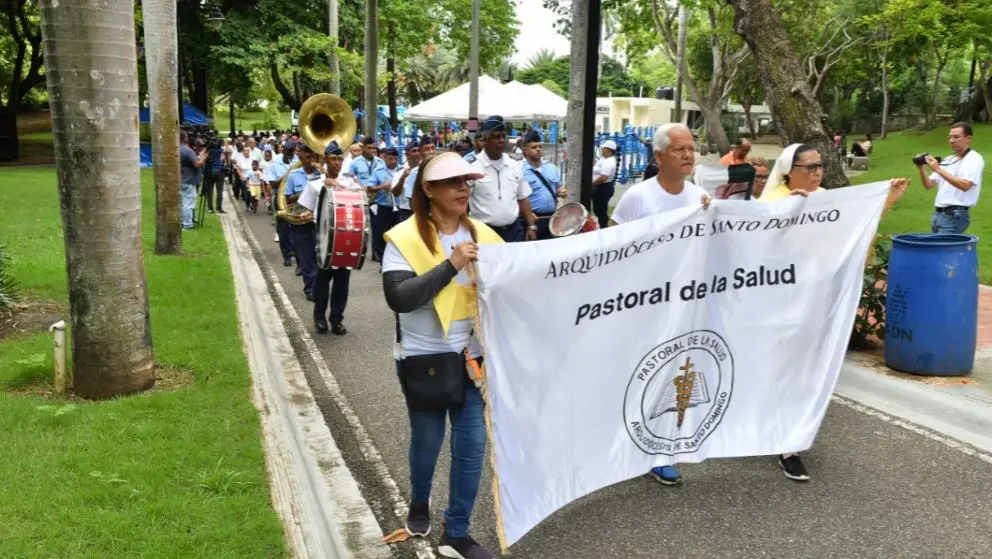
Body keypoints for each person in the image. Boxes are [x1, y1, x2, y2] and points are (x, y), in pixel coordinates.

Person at [381, 151, 504, 559]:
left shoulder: (484, 233)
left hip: (471, 359)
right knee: (428, 440)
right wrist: (451, 264)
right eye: (453, 182)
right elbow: (400, 298)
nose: (463, 188)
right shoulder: (404, 237)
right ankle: (419, 501)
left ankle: (458, 531)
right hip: (423, 358)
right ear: (428, 190)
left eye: (467, 181)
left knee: (471, 447)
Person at [611, 124, 710, 487]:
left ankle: (658, 452)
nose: (688, 155)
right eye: (679, 149)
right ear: (659, 156)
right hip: (642, 304)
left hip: (683, 303)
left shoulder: (700, 196)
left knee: (672, 373)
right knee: (638, 371)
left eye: (691, 148)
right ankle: (624, 440)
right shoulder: (637, 198)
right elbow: (614, 248)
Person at [298, 141, 362, 335]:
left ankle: (337, 320)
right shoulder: (314, 184)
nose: (337, 163)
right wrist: (306, 215)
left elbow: (361, 199)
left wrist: (340, 186)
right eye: (333, 159)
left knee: (342, 283)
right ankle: (319, 318)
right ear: (325, 159)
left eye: (339, 159)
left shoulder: (350, 182)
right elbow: (305, 209)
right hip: (323, 239)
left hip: (346, 237)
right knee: (321, 283)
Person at [467, 115, 538, 242]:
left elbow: (522, 198)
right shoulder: (472, 167)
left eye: (503, 136)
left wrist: (531, 225)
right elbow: (463, 202)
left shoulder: (514, 165)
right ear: (484, 140)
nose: (501, 140)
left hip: (513, 232)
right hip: (484, 232)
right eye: (496, 137)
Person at [916, 122, 984, 234]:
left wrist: (938, 169)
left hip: (954, 215)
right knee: (937, 250)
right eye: (950, 137)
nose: (952, 140)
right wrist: (920, 167)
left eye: (956, 137)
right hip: (938, 215)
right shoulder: (949, 159)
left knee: (942, 251)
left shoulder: (974, 159)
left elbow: (965, 185)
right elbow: (929, 185)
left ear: (968, 138)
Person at [282, 142, 324, 300]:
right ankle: (310, 288)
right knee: (306, 257)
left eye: (313, 156)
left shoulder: (322, 174)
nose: (311, 158)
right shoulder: (293, 175)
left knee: (318, 256)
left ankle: (319, 286)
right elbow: (288, 200)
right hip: (300, 220)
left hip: (319, 220)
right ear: (301, 156)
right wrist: (303, 194)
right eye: (308, 156)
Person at [350, 136, 391, 261]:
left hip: (376, 197)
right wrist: (357, 185)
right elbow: (349, 178)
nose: (373, 151)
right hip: (360, 197)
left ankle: (375, 251)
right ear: (363, 148)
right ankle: (357, 249)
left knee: (375, 225)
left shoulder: (380, 162)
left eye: (374, 148)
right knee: (359, 225)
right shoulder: (355, 162)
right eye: (370, 148)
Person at [520, 129, 567, 240]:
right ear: (525, 150)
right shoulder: (520, 170)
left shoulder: (551, 167)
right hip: (532, 218)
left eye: (540, 147)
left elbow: (558, 187)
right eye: (534, 147)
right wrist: (527, 216)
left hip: (552, 217)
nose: (538, 149)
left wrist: (561, 191)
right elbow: (517, 197)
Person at [267, 142, 296, 266]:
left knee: (296, 228)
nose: (290, 154)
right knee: (283, 229)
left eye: (292, 152)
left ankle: (297, 254)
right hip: (281, 197)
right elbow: (273, 184)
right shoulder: (275, 163)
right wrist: (288, 174)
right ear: (283, 151)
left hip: (295, 198)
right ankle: (287, 255)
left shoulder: (298, 161)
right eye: (287, 151)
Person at [179, 131, 208, 230]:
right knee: (188, 203)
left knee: (183, 202)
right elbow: (197, 164)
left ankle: (184, 220)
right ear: (184, 138)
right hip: (189, 180)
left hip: (182, 178)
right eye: (187, 136)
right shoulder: (187, 150)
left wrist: (203, 152)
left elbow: (195, 159)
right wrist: (205, 156)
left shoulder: (178, 149)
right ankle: (187, 225)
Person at [392, 141, 422, 223]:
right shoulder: (400, 171)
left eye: (419, 150)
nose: (417, 153)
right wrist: (402, 178)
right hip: (406, 212)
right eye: (414, 151)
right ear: (407, 154)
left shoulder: (426, 169)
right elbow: (395, 193)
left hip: (423, 211)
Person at [591, 140, 618, 229]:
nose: (602, 150)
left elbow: (603, 178)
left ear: (609, 150)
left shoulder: (609, 162)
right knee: (598, 208)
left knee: (600, 209)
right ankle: (603, 224)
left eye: (604, 149)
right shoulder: (604, 159)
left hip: (603, 187)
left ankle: (604, 226)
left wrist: (591, 185)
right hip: (600, 187)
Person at [201, 139, 226, 215]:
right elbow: (223, 159)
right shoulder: (221, 151)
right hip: (219, 172)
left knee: (209, 191)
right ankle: (219, 208)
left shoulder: (209, 151)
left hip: (209, 172)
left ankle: (210, 208)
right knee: (219, 191)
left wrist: (206, 148)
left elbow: (201, 156)